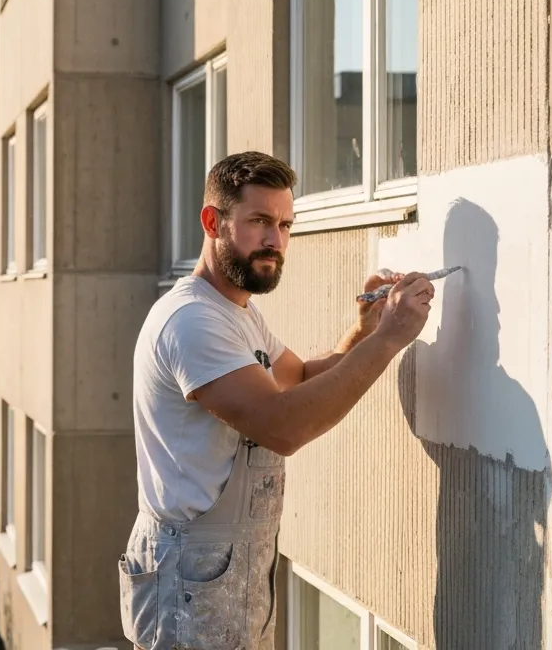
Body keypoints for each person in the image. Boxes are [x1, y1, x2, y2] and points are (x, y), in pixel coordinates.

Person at [117, 152, 434, 650]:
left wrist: (364, 330)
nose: (276, 241)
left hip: (230, 577)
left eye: (285, 224)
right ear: (212, 221)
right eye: (260, 221)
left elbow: (301, 378)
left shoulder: (238, 314)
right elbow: (282, 426)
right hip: (188, 589)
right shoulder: (192, 322)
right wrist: (388, 340)